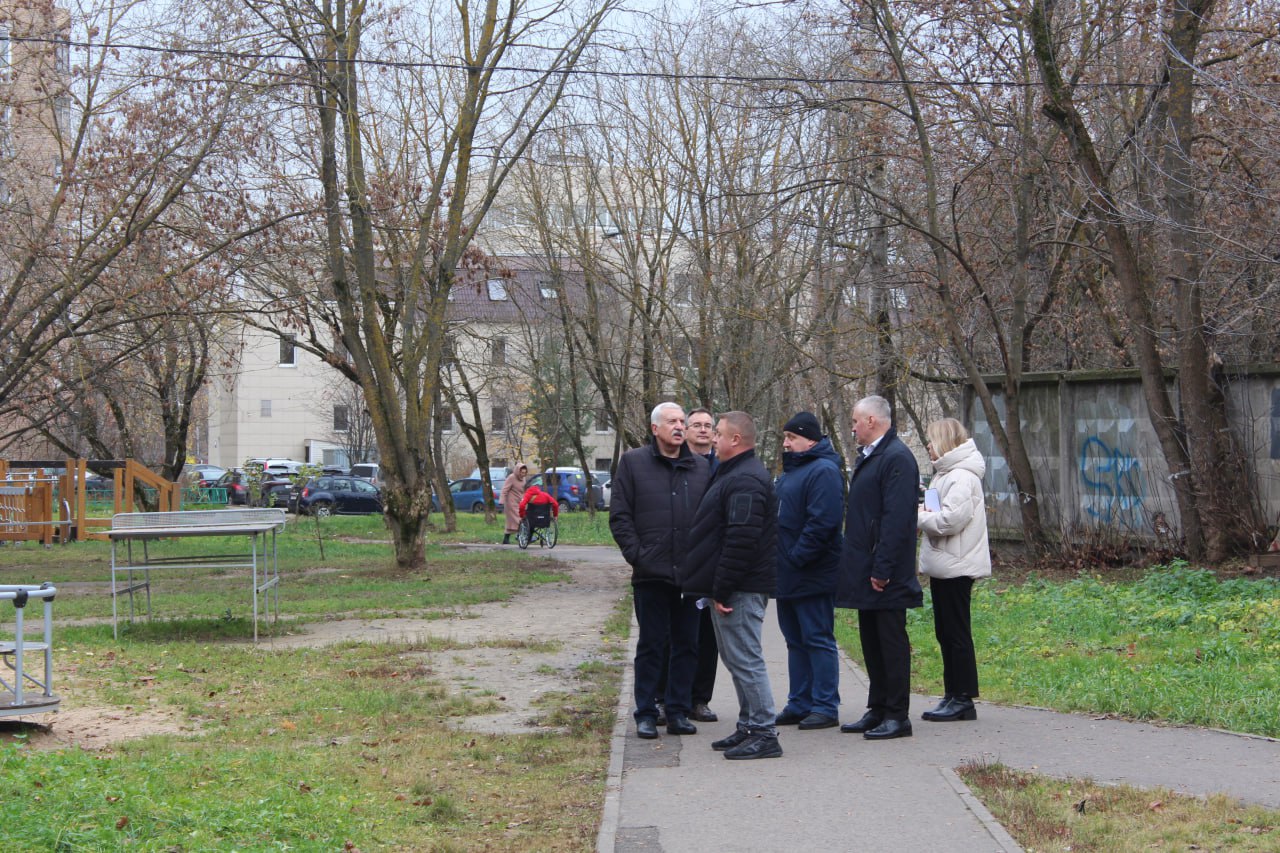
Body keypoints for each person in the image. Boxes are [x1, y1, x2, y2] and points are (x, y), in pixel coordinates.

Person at [682, 411, 781, 760]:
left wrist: (722, 588)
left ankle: (765, 732)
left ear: (735, 439)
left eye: (719, 432)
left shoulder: (746, 480)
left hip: (740, 587)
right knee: (736, 659)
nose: (713, 437)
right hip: (732, 585)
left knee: (746, 659)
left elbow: (741, 540)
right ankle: (750, 725)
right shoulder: (733, 474)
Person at [610, 402, 711, 740]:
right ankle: (646, 713)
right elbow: (621, 517)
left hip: (692, 575)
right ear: (655, 428)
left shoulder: (700, 468)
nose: (680, 427)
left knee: (687, 644)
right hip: (651, 573)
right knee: (652, 645)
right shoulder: (634, 463)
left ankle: (679, 710)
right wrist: (638, 556)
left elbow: (712, 520)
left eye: (682, 421)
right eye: (672, 421)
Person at [837, 395, 922, 740]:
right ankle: (878, 707)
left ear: (872, 420)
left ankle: (897, 715)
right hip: (867, 567)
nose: (853, 427)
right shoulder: (872, 457)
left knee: (890, 642)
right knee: (871, 641)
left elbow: (897, 520)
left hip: (886, 572)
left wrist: (882, 568)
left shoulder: (896, 458)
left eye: (855, 421)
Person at [773, 411, 845, 731]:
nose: (786, 444)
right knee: (795, 640)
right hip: (787, 573)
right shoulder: (790, 474)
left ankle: (825, 705)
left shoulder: (824, 471)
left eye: (792, 438)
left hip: (812, 572)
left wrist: (797, 557)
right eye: (785, 438)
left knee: (817, 638)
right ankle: (799, 702)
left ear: (811, 440)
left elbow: (823, 523)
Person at [917, 418, 991, 722]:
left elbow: (949, 521)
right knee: (945, 631)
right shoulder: (945, 475)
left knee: (956, 632)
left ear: (945, 442)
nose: (928, 447)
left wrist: (918, 516)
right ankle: (952, 693)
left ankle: (962, 698)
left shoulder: (961, 477)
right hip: (945, 562)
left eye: (931, 441)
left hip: (957, 564)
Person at [680, 406, 720, 722]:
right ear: (686, 430)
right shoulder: (676, 464)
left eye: (708, 425)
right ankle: (671, 697)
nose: (703, 430)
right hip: (680, 561)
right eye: (697, 425)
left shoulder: (723, 466)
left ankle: (699, 699)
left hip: (714, 564)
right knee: (677, 634)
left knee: (708, 636)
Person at [500, 464, 529, 544]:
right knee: (519, 519)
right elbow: (504, 489)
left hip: (520, 501)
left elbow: (524, 490)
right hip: (511, 503)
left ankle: (506, 539)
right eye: (522, 472)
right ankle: (524, 535)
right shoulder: (511, 477)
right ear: (517, 471)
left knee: (511, 522)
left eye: (524, 473)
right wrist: (501, 501)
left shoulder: (523, 479)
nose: (523, 474)